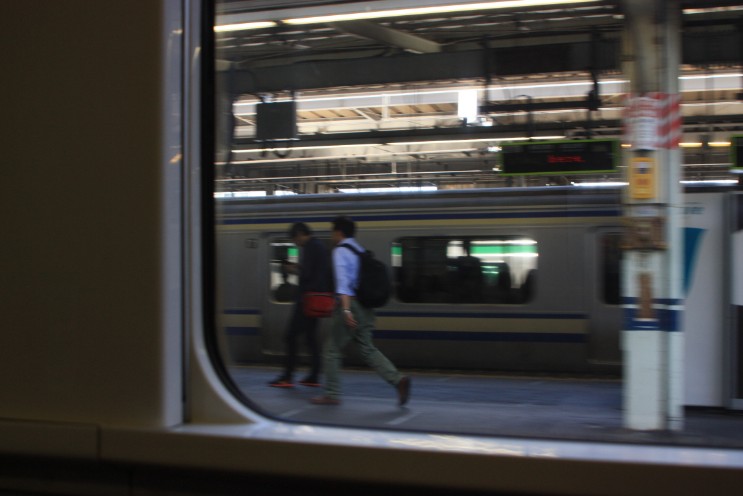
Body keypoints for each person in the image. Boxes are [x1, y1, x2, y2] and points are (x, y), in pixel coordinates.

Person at [311, 216, 410, 406]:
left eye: (333, 232)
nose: (332, 235)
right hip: (366, 306)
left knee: (331, 350)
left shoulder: (340, 251)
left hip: (351, 305)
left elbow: (344, 285)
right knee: (367, 349)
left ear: (339, 232)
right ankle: (398, 380)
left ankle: (332, 393)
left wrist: (346, 311)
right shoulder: (359, 249)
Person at [269, 222, 333, 388]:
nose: (295, 243)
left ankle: (287, 376)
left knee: (290, 336)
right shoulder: (318, 246)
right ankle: (314, 375)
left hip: (307, 300)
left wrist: (292, 269)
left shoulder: (311, 247)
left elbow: (308, 275)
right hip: (316, 299)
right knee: (310, 337)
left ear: (300, 234)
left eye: (294, 239)